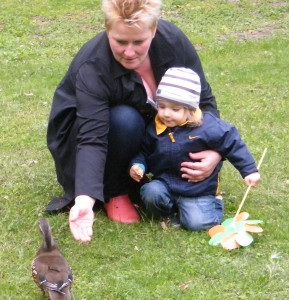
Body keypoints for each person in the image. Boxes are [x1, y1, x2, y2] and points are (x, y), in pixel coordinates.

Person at [46, 0, 223, 243]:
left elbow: (202, 102)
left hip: (143, 129)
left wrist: (213, 151)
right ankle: (115, 190)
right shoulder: (93, 66)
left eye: (139, 42)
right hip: (81, 139)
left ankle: (155, 173)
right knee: (125, 119)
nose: (129, 52)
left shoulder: (174, 43)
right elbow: (92, 138)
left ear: (154, 30)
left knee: (159, 120)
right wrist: (85, 199)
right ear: (108, 30)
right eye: (120, 41)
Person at [129, 67, 260, 230]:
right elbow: (144, 151)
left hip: (197, 189)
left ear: (190, 110)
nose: (166, 114)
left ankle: (213, 204)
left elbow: (231, 141)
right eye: (162, 106)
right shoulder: (155, 128)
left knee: (197, 223)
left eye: (175, 109)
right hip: (165, 184)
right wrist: (138, 165)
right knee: (150, 192)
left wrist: (249, 170)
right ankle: (169, 213)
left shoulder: (207, 126)